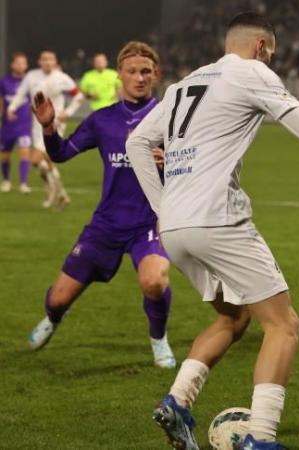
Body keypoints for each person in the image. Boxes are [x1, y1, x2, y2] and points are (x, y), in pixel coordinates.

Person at [126, 12, 299, 450]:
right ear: (260, 47)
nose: (270, 60)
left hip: (176, 228)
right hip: (218, 220)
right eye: (271, 53)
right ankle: (261, 439)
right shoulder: (253, 71)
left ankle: (178, 402)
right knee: (283, 325)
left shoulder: (183, 84)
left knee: (233, 317)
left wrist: (163, 207)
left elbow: (136, 143)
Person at [28, 41, 176, 369]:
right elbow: (61, 154)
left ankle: (159, 339)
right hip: (107, 223)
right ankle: (52, 318)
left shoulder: (170, 119)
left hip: (149, 221)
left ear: (156, 75)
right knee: (59, 298)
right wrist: (49, 127)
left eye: (145, 72)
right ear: (119, 76)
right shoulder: (102, 120)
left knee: (154, 281)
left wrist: (171, 162)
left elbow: (195, 167)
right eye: (132, 72)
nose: (139, 78)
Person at [7, 50, 83, 208]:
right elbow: (21, 93)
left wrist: (67, 112)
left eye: (51, 59)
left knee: (35, 159)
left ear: (55, 62)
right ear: (40, 62)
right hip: (37, 124)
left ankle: (54, 191)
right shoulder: (32, 76)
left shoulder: (62, 78)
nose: (48, 62)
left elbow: (78, 96)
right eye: (45, 59)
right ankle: (61, 194)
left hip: (55, 124)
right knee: (43, 164)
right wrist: (12, 108)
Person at [0, 52, 32, 193]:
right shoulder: (3, 81)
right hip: (7, 126)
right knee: (5, 155)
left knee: (24, 152)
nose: (20, 65)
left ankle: (23, 184)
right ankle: (6, 181)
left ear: (26, 65)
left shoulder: (30, 83)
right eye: (18, 62)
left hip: (24, 125)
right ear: (12, 65)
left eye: (23, 63)